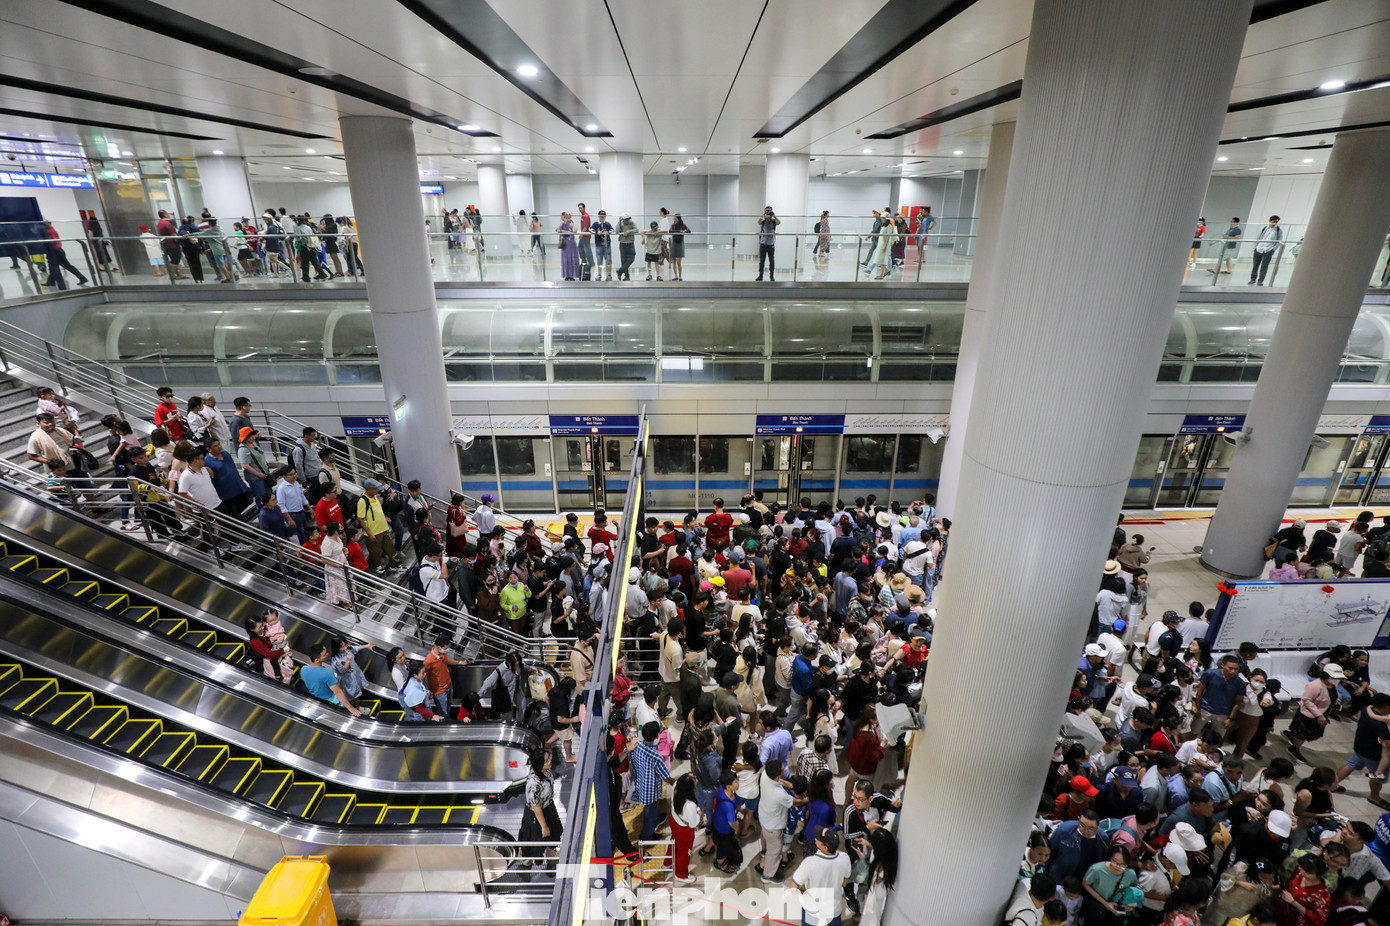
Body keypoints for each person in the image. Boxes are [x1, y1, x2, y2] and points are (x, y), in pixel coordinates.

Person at [790, 826, 853, 926]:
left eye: (819, 838)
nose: (816, 837)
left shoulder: (809, 863)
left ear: (825, 847)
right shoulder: (845, 858)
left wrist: (804, 891)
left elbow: (793, 888)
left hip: (812, 910)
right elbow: (845, 882)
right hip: (833, 909)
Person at [1288, 665, 1346, 763]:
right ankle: (1294, 748)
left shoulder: (1332, 684)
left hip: (1322, 712)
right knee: (1303, 733)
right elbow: (1307, 700)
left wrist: (1336, 700)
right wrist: (1319, 715)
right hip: (1309, 714)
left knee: (1306, 733)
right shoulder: (1315, 685)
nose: (1337, 679)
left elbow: (1331, 694)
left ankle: (1291, 736)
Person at [517, 747, 562, 866]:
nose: (550, 761)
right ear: (539, 764)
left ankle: (551, 854)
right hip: (535, 816)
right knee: (533, 839)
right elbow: (536, 807)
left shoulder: (547, 772)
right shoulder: (533, 783)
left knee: (554, 834)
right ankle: (526, 860)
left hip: (549, 808)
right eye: (546, 761)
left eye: (549, 758)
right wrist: (544, 826)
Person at [630, 720, 672, 841]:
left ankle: (656, 819)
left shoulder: (636, 746)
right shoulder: (656, 756)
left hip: (640, 784)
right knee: (649, 812)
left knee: (652, 809)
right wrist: (674, 782)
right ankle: (647, 835)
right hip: (651, 790)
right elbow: (665, 775)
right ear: (656, 737)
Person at [299, 640, 362, 717]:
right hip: (331, 699)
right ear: (317, 660)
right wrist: (350, 708)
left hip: (316, 696)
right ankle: (356, 707)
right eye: (325, 654)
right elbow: (338, 692)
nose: (327, 654)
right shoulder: (327, 673)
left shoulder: (303, 669)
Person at [357, 479, 403, 573]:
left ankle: (395, 564)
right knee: (375, 551)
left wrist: (385, 517)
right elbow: (360, 518)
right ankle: (376, 566)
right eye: (375, 489)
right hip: (373, 531)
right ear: (369, 489)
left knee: (390, 548)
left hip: (383, 528)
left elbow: (379, 510)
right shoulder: (362, 501)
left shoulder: (375, 497)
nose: (378, 490)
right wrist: (369, 533)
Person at [669, 773, 701, 884]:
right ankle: (681, 875)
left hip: (674, 820)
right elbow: (693, 824)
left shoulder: (676, 786)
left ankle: (667, 862)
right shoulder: (690, 804)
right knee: (684, 853)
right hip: (684, 829)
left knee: (673, 842)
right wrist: (699, 815)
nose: (695, 778)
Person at [1248, 215, 1282, 286]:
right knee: (1255, 265)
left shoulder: (1278, 230)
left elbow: (1279, 241)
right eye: (1273, 221)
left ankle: (1260, 280)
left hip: (1269, 249)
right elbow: (1258, 238)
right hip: (1259, 248)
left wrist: (1273, 249)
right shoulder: (1264, 228)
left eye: (1276, 222)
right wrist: (1255, 248)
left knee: (1264, 266)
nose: (1275, 223)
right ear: (1270, 221)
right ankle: (1253, 279)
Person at [755, 206, 780, 281]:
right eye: (767, 211)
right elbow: (758, 222)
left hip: (771, 244)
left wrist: (774, 216)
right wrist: (763, 214)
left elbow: (779, 222)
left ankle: (771, 276)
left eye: (769, 211)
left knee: (771, 260)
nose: (768, 212)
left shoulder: (773, 220)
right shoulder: (763, 219)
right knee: (762, 260)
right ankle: (760, 275)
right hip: (763, 243)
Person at [592, 209, 613, 280]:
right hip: (598, 244)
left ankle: (609, 274)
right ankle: (599, 274)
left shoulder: (607, 224)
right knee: (599, 260)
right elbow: (590, 229)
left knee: (608, 260)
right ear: (598, 216)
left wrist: (608, 232)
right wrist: (596, 232)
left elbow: (612, 229)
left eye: (603, 216)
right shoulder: (595, 224)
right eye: (601, 216)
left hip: (607, 245)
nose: (602, 218)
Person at [557, 211, 579, 280]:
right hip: (566, 244)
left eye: (569, 218)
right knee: (566, 260)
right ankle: (567, 275)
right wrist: (566, 232)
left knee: (573, 259)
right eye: (566, 218)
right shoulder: (562, 224)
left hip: (572, 244)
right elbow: (558, 230)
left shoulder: (572, 225)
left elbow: (575, 231)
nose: (567, 219)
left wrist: (573, 222)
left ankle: (572, 275)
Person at [616, 213, 637, 281]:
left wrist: (628, 232)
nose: (627, 221)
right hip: (622, 244)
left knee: (631, 258)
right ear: (623, 220)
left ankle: (619, 271)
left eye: (628, 219)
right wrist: (619, 222)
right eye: (626, 220)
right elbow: (617, 231)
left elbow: (636, 230)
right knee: (623, 261)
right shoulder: (621, 224)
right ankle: (627, 276)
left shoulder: (632, 223)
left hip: (630, 244)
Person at [669, 213, 689, 280]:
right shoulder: (672, 225)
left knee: (678, 262)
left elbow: (689, 231)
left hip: (680, 244)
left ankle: (680, 276)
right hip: (674, 243)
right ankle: (676, 276)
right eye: (673, 219)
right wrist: (679, 231)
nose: (674, 220)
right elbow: (670, 231)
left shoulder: (683, 225)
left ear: (678, 219)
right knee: (673, 260)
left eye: (675, 218)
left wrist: (684, 231)